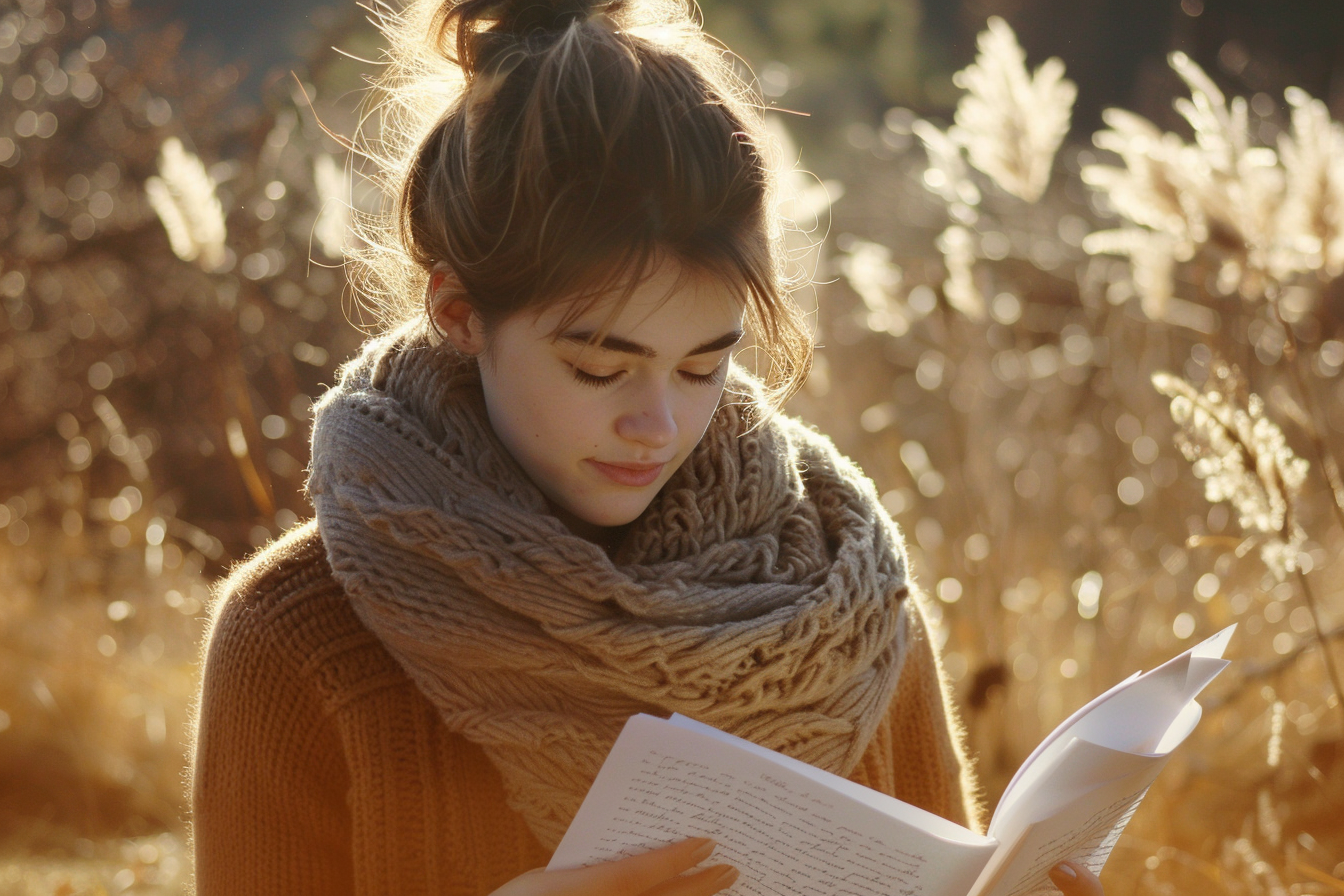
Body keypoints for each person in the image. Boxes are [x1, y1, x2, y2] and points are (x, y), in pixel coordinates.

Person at [188, 0, 1105, 894]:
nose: (658, 426)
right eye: (599, 367)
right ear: (460, 313)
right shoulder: (294, 639)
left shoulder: (844, 596)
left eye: (705, 366)